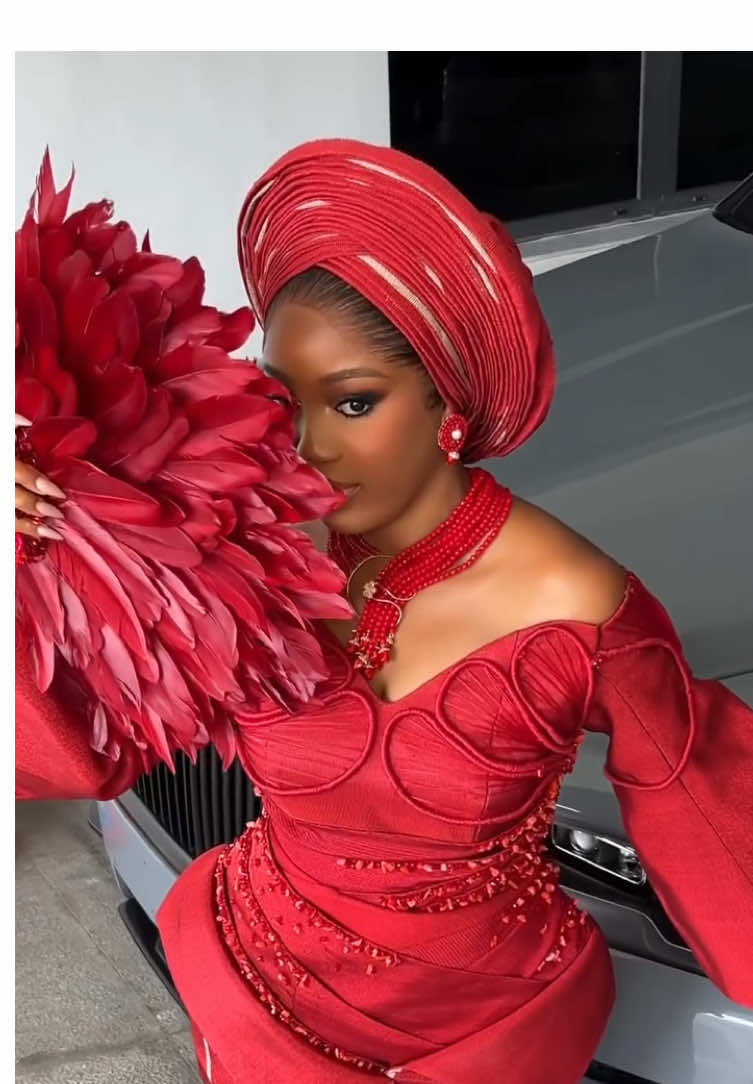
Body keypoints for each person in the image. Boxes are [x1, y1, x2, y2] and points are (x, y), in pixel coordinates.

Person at [16, 139, 753, 1084]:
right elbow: (77, 751)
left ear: (449, 399)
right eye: (280, 402)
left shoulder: (581, 607)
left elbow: (714, 828)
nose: (307, 447)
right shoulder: (240, 539)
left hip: (484, 1040)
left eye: (354, 402)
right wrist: (38, 553)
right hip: (252, 1000)